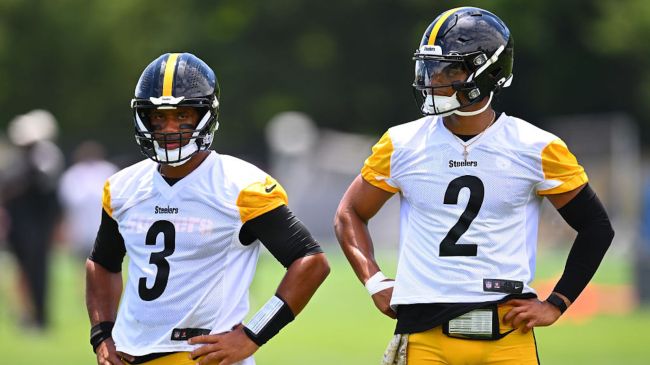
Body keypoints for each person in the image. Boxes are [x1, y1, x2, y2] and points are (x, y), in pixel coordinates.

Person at [334, 7, 614, 365]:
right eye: (431, 66)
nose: (433, 78)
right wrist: (374, 281)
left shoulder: (535, 146)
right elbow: (349, 213)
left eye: (449, 68)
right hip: (425, 335)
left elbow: (596, 227)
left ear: (488, 72)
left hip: (507, 335)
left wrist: (558, 302)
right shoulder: (401, 143)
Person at [85, 52, 330, 365]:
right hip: (130, 354)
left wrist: (252, 334)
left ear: (205, 115)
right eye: (158, 116)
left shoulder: (241, 185)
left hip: (201, 356)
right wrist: (102, 335)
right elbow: (101, 263)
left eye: (182, 115)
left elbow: (310, 261)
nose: (169, 128)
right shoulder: (122, 187)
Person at [1, 109, 64, 330]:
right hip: (20, 227)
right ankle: (27, 314)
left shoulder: (44, 157)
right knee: (23, 271)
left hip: (36, 226)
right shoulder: (17, 162)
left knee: (37, 271)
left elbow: (46, 187)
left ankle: (39, 316)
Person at [58, 140, 118, 261]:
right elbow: (67, 202)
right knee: (82, 260)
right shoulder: (73, 174)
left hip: (105, 225)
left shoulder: (108, 170)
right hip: (80, 226)